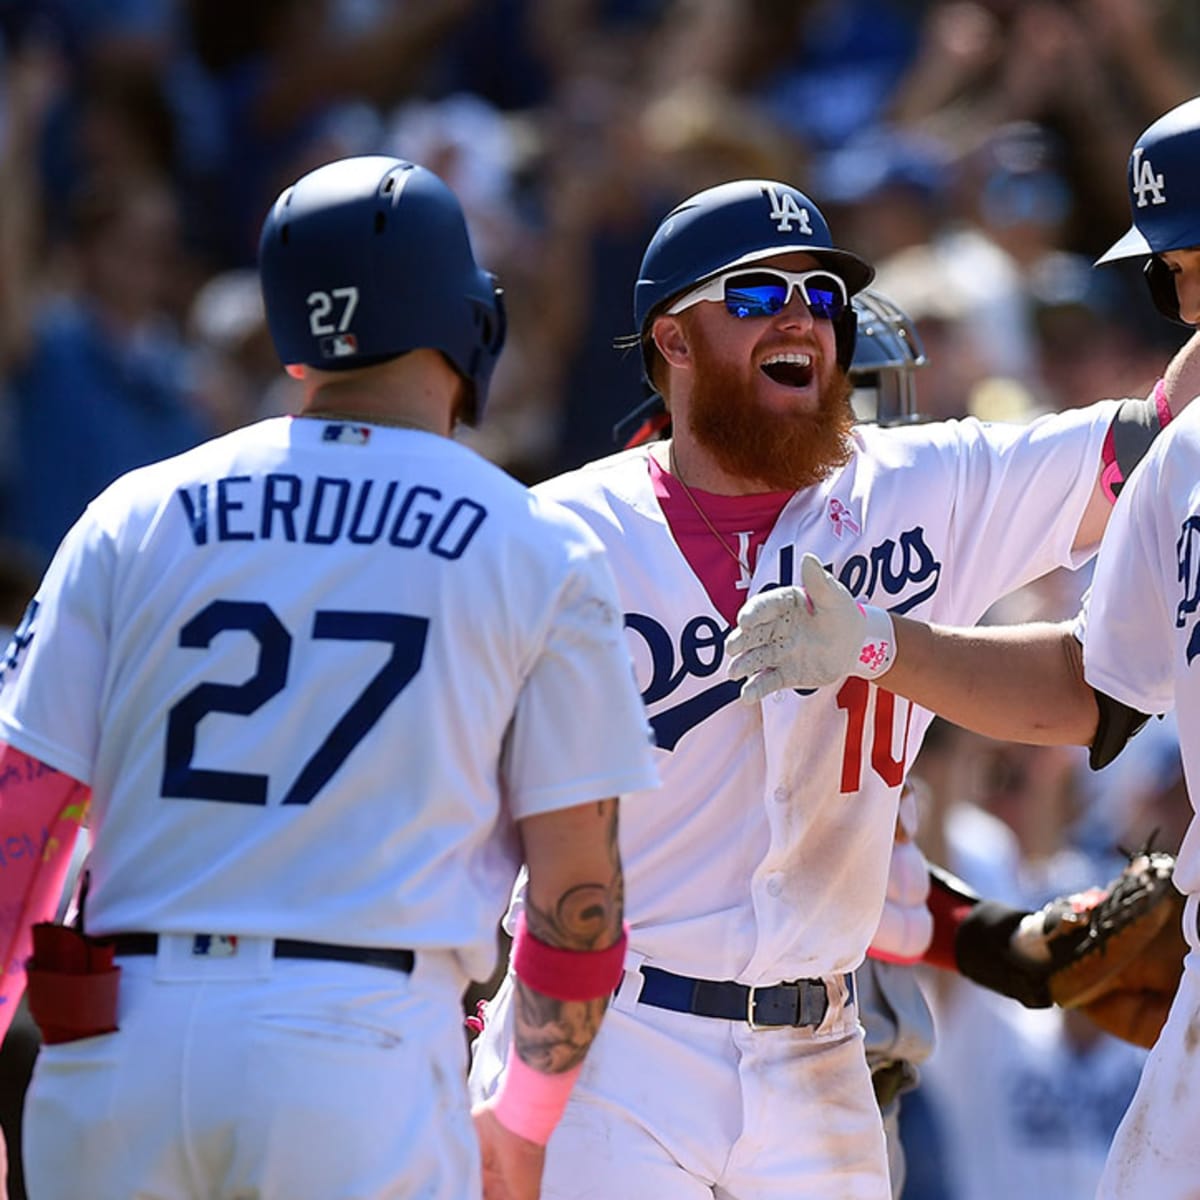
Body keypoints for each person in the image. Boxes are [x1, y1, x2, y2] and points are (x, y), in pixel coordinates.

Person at [466, 174, 1200, 1198]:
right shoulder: (555, 539)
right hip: (619, 1046)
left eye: (823, 296)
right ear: (673, 343)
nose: (803, 316)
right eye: (760, 296)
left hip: (822, 1054)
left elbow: (1163, 433)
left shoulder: (907, 487)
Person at [0, 154, 660, 1200]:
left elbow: (19, 827)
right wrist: (522, 1125)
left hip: (119, 1048)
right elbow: (578, 899)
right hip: (356, 1057)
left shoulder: (134, 510)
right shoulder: (534, 543)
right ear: (470, 322)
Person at [724, 98, 1200, 1199]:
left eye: (1189, 261)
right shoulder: (1184, 463)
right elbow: (1094, 684)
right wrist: (886, 645)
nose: (1181, 296)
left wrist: (997, 942)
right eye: (1173, 269)